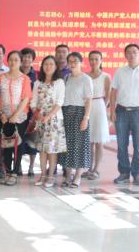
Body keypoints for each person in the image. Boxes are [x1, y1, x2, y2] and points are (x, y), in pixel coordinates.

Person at [110, 43, 139, 186]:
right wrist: (112, 111)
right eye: (129, 52)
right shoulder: (120, 71)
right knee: (121, 145)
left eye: (135, 52)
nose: (132, 54)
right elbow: (113, 92)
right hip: (121, 112)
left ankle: (137, 174)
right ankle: (124, 173)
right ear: (125, 55)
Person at [30, 56, 67, 188]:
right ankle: (43, 175)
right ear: (42, 66)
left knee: (52, 150)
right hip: (40, 120)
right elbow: (33, 102)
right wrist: (37, 114)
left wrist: (49, 116)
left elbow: (59, 102)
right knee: (42, 150)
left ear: (56, 67)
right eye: (46, 64)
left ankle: (51, 176)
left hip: (54, 120)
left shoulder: (59, 82)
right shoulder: (37, 83)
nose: (48, 66)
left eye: (51, 64)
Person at [0, 51, 32, 186]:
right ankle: (7, 171)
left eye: (16, 60)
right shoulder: (0, 77)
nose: (13, 62)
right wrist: (1, 114)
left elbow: (26, 98)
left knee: (18, 144)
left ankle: (15, 172)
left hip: (19, 116)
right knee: (6, 145)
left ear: (20, 62)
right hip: (4, 116)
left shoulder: (25, 79)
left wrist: (15, 115)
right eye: (11, 59)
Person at [59, 52, 92, 188]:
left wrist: (86, 118)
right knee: (66, 146)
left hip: (80, 114)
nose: (72, 64)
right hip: (66, 114)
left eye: (75, 61)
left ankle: (77, 177)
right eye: (70, 61)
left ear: (81, 63)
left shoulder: (86, 79)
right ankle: (68, 176)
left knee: (80, 146)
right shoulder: (66, 78)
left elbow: (88, 100)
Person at [86, 51, 110, 181]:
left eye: (96, 59)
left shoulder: (106, 76)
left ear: (101, 60)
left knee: (99, 141)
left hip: (99, 107)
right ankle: (89, 168)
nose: (94, 61)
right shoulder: (85, 76)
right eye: (91, 59)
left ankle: (96, 169)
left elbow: (108, 96)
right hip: (87, 108)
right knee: (89, 141)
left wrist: (103, 108)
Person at [19, 47, 38, 176]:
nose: (26, 59)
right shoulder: (16, 73)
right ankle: (19, 166)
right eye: (24, 56)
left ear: (32, 60)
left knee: (33, 141)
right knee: (19, 139)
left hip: (33, 112)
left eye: (29, 57)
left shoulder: (37, 75)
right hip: (19, 111)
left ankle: (31, 167)